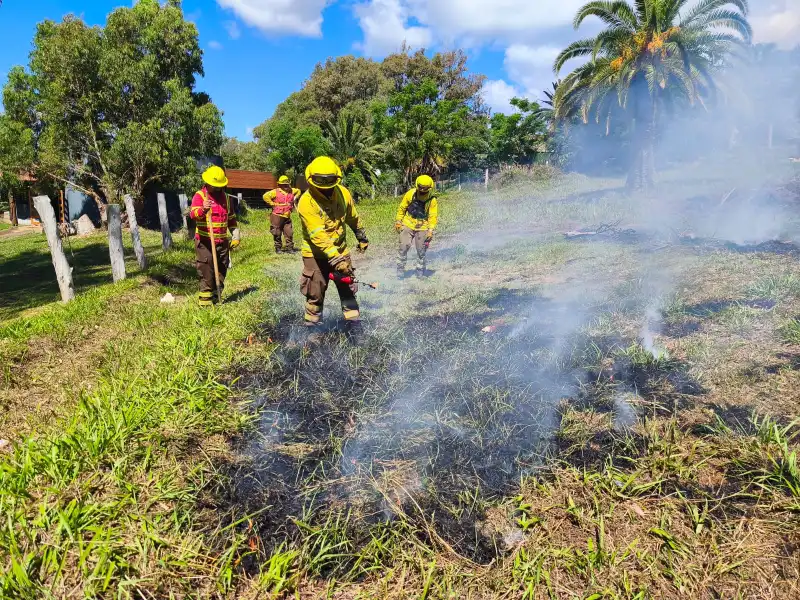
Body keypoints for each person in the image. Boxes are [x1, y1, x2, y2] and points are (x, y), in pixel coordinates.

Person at [297, 156, 369, 326]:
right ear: (310, 180)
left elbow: (352, 216)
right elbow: (318, 236)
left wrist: (361, 235)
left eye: (329, 182)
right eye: (320, 183)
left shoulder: (343, 193)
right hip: (315, 254)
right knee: (315, 293)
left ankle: (354, 326)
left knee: (348, 290)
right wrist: (337, 260)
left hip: (341, 250)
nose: (326, 188)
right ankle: (312, 330)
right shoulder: (306, 202)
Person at [189, 165, 240, 306]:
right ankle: (205, 304)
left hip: (222, 242)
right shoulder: (200, 196)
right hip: (205, 242)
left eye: (219, 186)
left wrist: (235, 235)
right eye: (214, 186)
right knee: (206, 270)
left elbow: (231, 219)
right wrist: (203, 209)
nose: (217, 189)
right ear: (208, 183)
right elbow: (193, 214)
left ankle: (217, 297)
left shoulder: (227, 199)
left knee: (222, 268)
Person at [395, 174, 438, 278]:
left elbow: (433, 216)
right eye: (421, 187)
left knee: (421, 250)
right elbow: (402, 208)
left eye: (425, 188)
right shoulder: (410, 194)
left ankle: (420, 271)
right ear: (417, 185)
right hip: (408, 222)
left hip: (423, 225)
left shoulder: (432, 200)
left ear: (429, 187)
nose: (422, 189)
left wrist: (430, 230)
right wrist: (398, 221)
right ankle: (400, 270)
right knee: (403, 246)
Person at [263, 175, 301, 253]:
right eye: (284, 184)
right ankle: (278, 248)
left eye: (287, 184)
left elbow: (299, 191)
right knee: (277, 232)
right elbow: (265, 196)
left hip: (287, 216)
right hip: (277, 215)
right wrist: (272, 203)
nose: (286, 186)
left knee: (289, 232)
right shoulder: (275, 192)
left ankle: (290, 248)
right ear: (280, 185)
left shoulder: (292, 191)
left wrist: (295, 198)